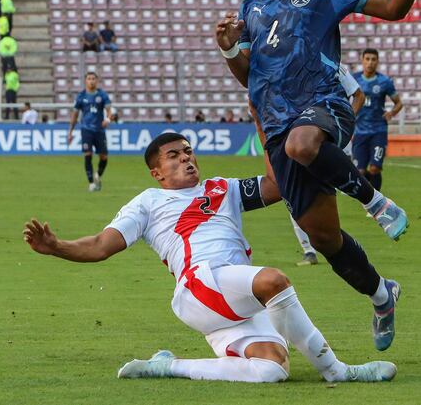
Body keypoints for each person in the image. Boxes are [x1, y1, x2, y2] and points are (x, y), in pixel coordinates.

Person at [23, 132, 396, 383]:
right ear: (157, 172)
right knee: (274, 281)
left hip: (232, 298)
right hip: (198, 285)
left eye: (188, 152)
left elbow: (277, 184)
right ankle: (338, 371)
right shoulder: (148, 202)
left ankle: (168, 366)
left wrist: (265, 124)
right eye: (174, 156)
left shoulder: (222, 188)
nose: (186, 158)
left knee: (272, 369)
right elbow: (102, 245)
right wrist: (57, 246)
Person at [215, 0, 421, 350]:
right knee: (323, 237)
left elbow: (392, 7)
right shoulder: (251, 7)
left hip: (324, 105)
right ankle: (382, 295)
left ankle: (376, 203)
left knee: (303, 143)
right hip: (277, 131)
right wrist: (229, 48)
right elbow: (250, 77)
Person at [290, 63, 365, 267]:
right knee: (294, 197)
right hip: (302, 141)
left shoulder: (334, 65)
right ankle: (309, 251)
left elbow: (358, 95)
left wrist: (346, 120)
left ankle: (374, 207)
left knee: (327, 198)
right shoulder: (291, 64)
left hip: (329, 140)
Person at [351, 49, 403, 191]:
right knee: (360, 172)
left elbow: (399, 103)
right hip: (360, 131)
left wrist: (391, 113)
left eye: (373, 59)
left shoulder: (384, 81)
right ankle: (370, 192)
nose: (370, 62)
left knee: (374, 168)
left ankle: (376, 205)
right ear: (362, 60)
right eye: (367, 59)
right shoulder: (353, 79)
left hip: (378, 130)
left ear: (377, 61)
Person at [69, 72, 112, 192]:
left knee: (104, 156)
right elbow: (75, 115)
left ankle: (97, 175)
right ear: (85, 81)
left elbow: (109, 111)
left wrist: (107, 119)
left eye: (93, 79)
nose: (91, 81)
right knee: (88, 155)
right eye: (89, 79)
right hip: (86, 130)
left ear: (97, 81)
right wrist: (70, 132)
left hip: (99, 130)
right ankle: (91, 183)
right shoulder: (81, 96)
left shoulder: (102, 95)